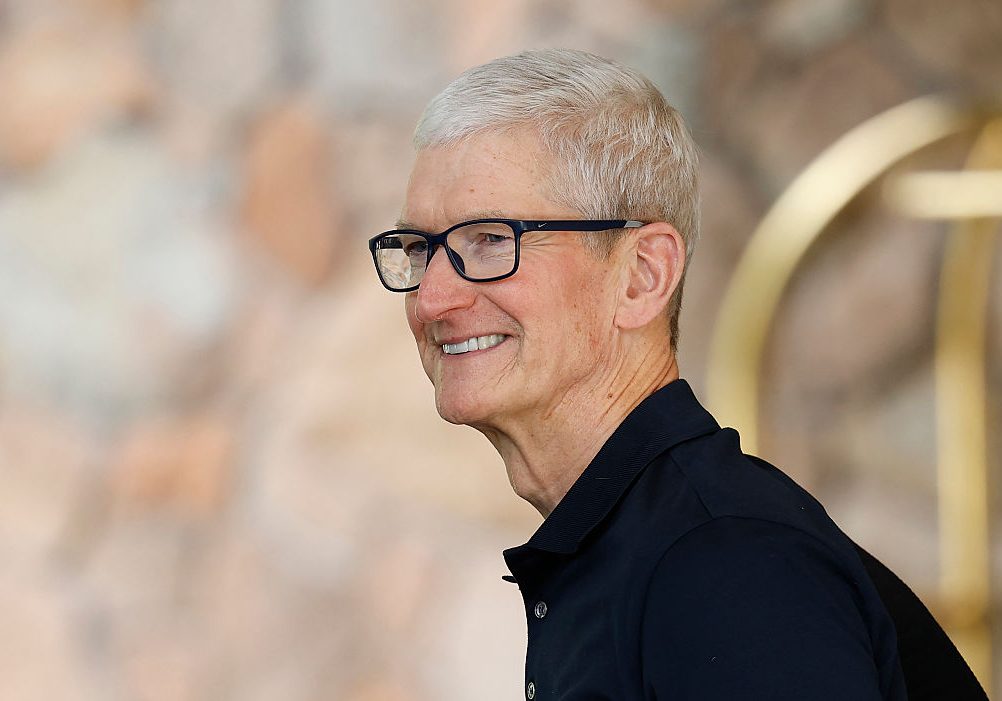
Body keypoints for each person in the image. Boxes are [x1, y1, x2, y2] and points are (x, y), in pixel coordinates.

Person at [367, 49, 984, 700]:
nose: (432, 299)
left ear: (643, 275)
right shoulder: (646, 549)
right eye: (417, 248)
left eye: (490, 240)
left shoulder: (726, 567)